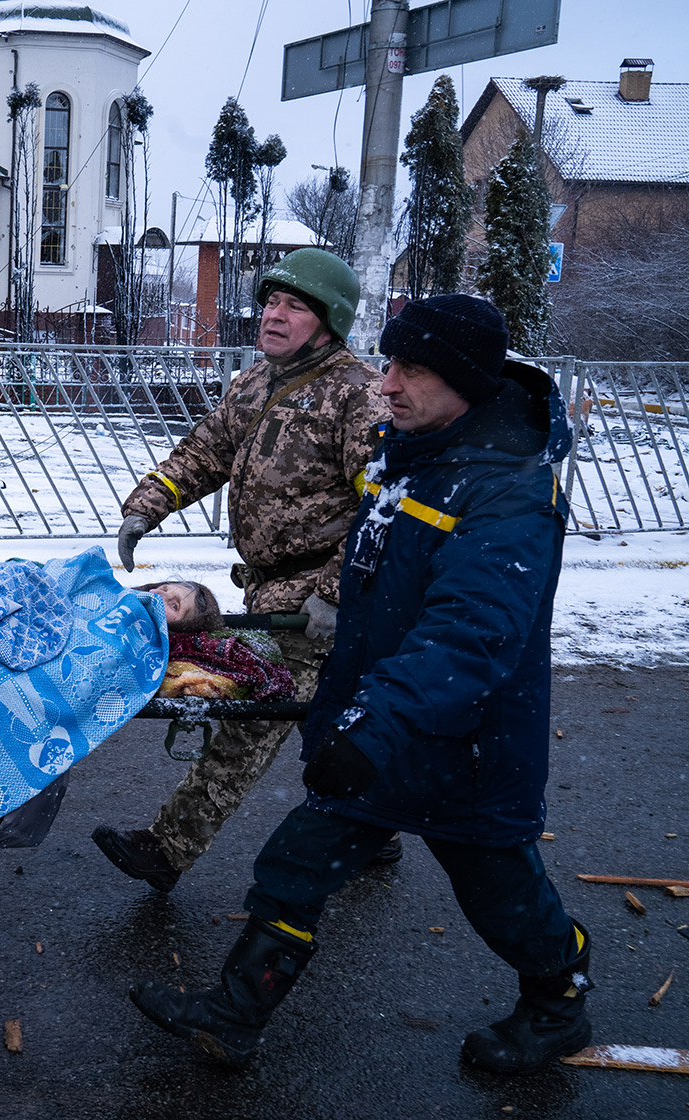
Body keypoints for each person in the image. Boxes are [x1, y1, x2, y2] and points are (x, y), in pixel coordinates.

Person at [128, 294, 591, 1076]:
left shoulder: (508, 498)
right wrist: (338, 661)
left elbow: (470, 637)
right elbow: (381, 588)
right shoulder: (409, 454)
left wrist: (372, 722)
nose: (388, 382)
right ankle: (234, 1017)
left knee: (500, 896)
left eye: (412, 368)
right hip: (379, 725)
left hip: (464, 743)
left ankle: (559, 996)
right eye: (391, 361)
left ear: (466, 381)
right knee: (291, 865)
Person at [94, 248, 392, 892]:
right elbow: (204, 453)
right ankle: (374, 821)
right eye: (270, 302)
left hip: (316, 593)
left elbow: (383, 506)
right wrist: (145, 507)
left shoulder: (358, 396)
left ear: (329, 320)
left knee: (254, 713)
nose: (274, 316)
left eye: (294, 306)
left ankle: (167, 849)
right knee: (335, 713)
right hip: (265, 584)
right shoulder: (253, 384)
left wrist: (335, 593)